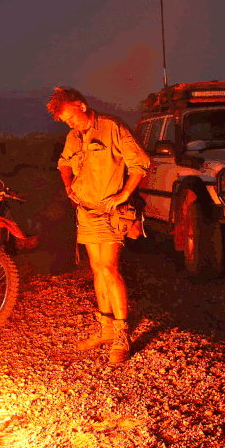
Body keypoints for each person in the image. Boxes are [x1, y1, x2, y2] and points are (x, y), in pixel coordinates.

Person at [47, 86, 150, 364]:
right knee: (96, 269)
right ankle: (105, 329)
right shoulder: (73, 136)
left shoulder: (112, 127)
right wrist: (68, 188)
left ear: (81, 106)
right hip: (85, 212)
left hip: (109, 212)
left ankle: (121, 334)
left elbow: (140, 163)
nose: (71, 124)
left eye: (71, 118)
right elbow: (64, 163)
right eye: (66, 122)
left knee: (109, 268)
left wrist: (124, 195)